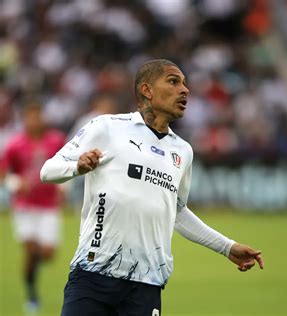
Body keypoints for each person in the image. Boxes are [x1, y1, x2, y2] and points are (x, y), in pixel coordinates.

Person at [40, 59, 264, 315]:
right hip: (93, 276)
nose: (185, 90)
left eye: (185, 83)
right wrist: (77, 167)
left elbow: (177, 212)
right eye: (173, 81)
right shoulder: (107, 127)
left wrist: (227, 247)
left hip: (146, 285)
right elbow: (47, 171)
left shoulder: (183, 151)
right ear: (147, 90)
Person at [0, 101, 66, 312]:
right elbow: (3, 172)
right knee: (30, 248)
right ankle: (32, 294)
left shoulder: (55, 140)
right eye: (30, 116)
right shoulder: (16, 144)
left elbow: (68, 161)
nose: (34, 121)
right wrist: (15, 183)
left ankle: (31, 273)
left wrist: (65, 185)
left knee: (46, 253)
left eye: (38, 116)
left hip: (48, 205)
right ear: (24, 119)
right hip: (24, 206)